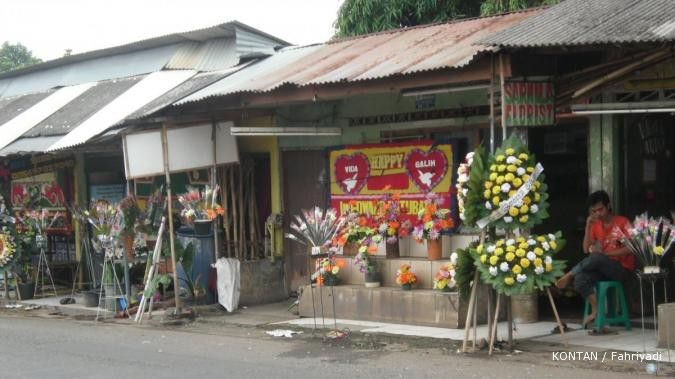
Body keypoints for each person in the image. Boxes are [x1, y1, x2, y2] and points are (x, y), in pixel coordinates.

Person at [555, 190, 634, 326]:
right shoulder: (596, 225)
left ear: (608, 206)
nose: (598, 214)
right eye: (594, 211)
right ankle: (597, 310)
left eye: (600, 209)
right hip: (603, 268)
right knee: (580, 279)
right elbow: (586, 249)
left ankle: (569, 274)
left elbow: (632, 247)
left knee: (597, 257)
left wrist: (607, 255)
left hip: (622, 270)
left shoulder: (622, 222)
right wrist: (588, 225)